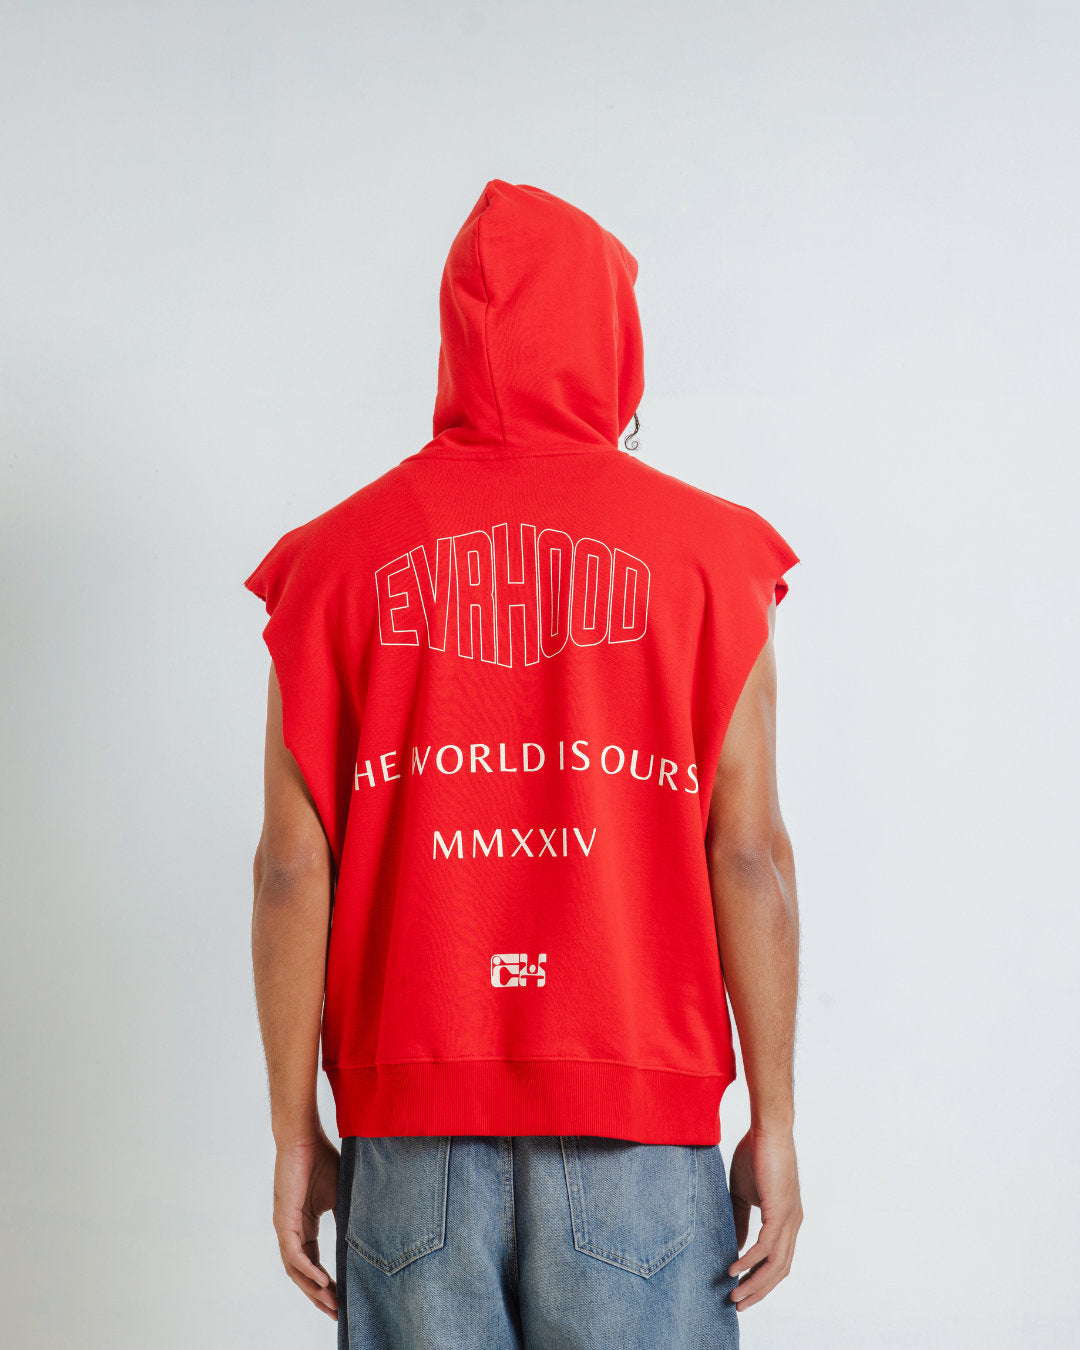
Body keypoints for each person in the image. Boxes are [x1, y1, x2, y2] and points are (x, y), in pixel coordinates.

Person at [246, 179, 803, 1349]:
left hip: (411, 1136)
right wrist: (776, 1118)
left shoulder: (332, 564)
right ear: (614, 335)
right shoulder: (714, 561)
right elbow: (748, 855)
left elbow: (293, 870)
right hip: (640, 1121)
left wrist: (296, 1131)